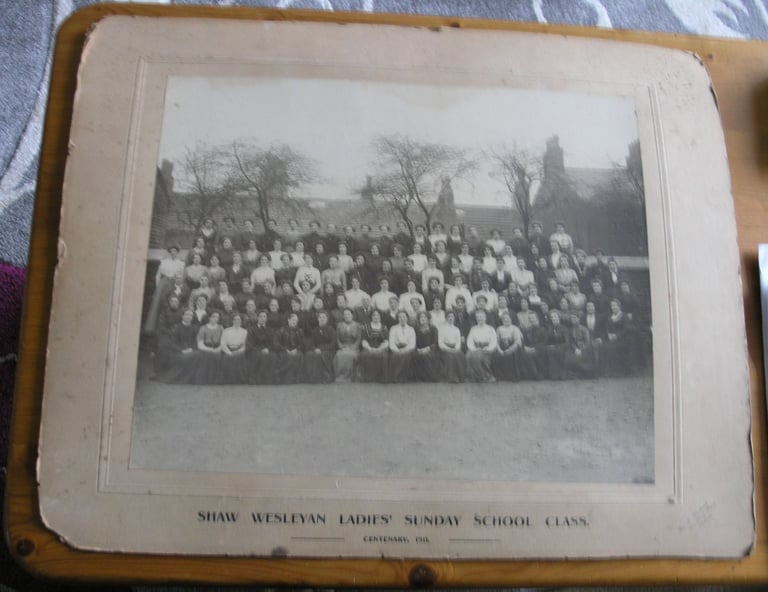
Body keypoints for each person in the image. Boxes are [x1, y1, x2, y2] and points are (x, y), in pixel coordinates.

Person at [144, 244, 186, 333]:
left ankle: (171, 326)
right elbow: (158, 275)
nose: (173, 253)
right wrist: (158, 286)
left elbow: (182, 276)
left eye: (175, 251)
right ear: (169, 252)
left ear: (177, 252)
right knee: (159, 302)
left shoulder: (181, 263)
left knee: (172, 301)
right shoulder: (164, 262)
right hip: (164, 283)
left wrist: (179, 285)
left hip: (174, 283)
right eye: (171, 251)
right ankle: (153, 327)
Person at [156, 308, 199, 383]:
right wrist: (182, 350)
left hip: (190, 350)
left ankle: (191, 379)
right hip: (177, 350)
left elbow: (195, 342)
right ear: (182, 316)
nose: (189, 317)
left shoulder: (194, 328)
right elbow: (172, 343)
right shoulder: (176, 327)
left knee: (198, 355)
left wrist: (191, 349)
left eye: (191, 315)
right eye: (187, 315)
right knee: (183, 358)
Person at [304, 310, 337, 383]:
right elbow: (311, 343)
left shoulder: (331, 329)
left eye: (324, 317)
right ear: (318, 319)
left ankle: (325, 377)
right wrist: (315, 349)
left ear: (327, 319)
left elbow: (333, 343)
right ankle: (312, 378)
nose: (322, 319)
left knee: (321, 355)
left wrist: (321, 349)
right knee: (309, 354)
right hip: (316, 349)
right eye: (320, 317)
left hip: (328, 350)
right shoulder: (315, 330)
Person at [465, 309, 498, 382]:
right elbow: (469, 341)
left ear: (485, 318)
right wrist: (473, 349)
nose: (480, 319)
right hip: (476, 348)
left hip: (487, 349)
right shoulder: (473, 329)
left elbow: (494, 341)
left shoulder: (490, 329)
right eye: (478, 317)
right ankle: (473, 376)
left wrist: (488, 348)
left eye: (481, 317)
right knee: (468, 355)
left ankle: (485, 376)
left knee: (478, 356)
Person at [358, 309, 390, 382]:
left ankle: (382, 378)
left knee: (384, 356)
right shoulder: (366, 327)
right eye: (374, 315)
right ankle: (368, 378)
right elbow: (364, 340)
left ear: (380, 317)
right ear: (371, 317)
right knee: (365, 355)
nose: (376, 317)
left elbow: (386, 341)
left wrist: (379, 348)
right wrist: (369, 348)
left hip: (381, 347)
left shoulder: (384, 327)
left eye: (378, 315)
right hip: (368, 347)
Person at [274, 312, 305, 384]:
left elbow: (303, 344)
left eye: (296, 321)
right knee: (286, 356)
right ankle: (285, 377)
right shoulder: (281, 330)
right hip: (283, 350)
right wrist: (285, 349)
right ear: (288, 320)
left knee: (299, 355)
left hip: (296, 350)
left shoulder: (299, 331)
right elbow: (276, 343)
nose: (294, 322)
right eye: (293, 320)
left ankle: (297, 378)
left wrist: (297, 349)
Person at [247, 310, 276, 384]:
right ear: (257, 318)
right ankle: (256, 379)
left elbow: (273, 343)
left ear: (266, 319)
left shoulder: (270, 330)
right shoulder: (252, 329)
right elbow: (250, 343)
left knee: (273, 356)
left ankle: (268, 380)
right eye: (260, 316)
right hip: (255, 350)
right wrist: (260, 350)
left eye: (264, 317)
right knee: (258, 356)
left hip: (267, 350)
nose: (262, 318)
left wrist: (268, 349)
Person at [194, 310, 223, 384]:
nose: (215, 319)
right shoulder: (203, 328)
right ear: (209, 318)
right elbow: (200, 344)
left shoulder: (220, 328)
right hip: (205, 349)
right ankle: (206, 380)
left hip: (218, 348)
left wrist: (219, 348)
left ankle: (216, 381)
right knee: (208, 356)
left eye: (217, 317)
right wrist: (210, 349)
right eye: (213, 317)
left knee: (218, 356)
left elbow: (223, 341)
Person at [493, 311, 523, 381]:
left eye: (507, 318)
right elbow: (497, 341)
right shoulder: (499, 328)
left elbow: (517, 342)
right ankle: (500, 375)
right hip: (502, 347)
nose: (505, 320)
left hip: (513, 347)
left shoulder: (515, 328)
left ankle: (514, 376)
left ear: (511, 319)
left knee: (513, 355)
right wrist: (499, 350)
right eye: (504, 319)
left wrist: (510, 349)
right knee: (496, 355)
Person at [564, 312, 596, 378]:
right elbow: (571, 342)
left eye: (575, 318)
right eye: (572, 318)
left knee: (581, 359)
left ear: (578, 319)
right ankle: (574, 374)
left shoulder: (584, 329)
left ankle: (583, 373)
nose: (573, 320)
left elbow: (587, 341)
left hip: (585, 349)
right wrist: (575, 349)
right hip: (575, 349)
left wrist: (581, 349)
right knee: (568, 357)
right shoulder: (570, 330)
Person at [219, 313, 248, 384]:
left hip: (240, 351)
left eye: (238, 319)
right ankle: (228, 380)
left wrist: (239, 351)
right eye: (235, 319)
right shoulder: (226, 331)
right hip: (228, 350)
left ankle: (240, 380)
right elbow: (223, 343)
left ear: (241, 321)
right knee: (227, 358)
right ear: (232, 321)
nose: (237, 321)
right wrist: (229, 352)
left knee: (239, 358)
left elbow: (245, 345)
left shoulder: (245, 332)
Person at [412, 311, 441, 382]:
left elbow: (436, 342)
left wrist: (428, 349)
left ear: (428, 319)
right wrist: (418, 349)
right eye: (420, 317)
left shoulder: (433, 328)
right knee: (415, 356)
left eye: (424, 317)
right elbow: (413, 341)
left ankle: (430, 377)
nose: (422, 319)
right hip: (419, 349)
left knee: (428, 356)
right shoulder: (415, 329)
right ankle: (419, 378)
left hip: (431, 349)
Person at [388, 311, 416, 382]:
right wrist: (396, 350)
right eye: (400, 317)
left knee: (406, 356)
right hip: (396, 348)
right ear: (397, 318)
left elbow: (412, 343)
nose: (402, 318)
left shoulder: (411, 329)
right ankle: (395, 377)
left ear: (407, 318)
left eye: (404, 317)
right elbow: (391, 342)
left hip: (408, 349)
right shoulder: (393, 328)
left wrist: (405, 350)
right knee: (396, 355)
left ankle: (403, 377)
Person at [334, 308, 361, 382]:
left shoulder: (357, 325)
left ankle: (350, 377)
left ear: (352, 315)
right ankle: (340, 376)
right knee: (339, 355)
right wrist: (342, 347)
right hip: (343, 346)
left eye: (348, 314)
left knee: (351, 355)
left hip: (353, 346)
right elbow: (337, 339)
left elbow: (359, 339)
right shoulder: (339, 325)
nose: (346, 316)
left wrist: (353, 347)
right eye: (345, 314)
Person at [438, 311, 466, 383]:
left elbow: (458, 341)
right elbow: (440, 343)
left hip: (455, 349)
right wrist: (449, 349)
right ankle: (452, 377)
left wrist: (456, 349)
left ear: (454, 318)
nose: (450, 318)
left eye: (452, 317)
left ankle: (460, 377)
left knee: (460, 355)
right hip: (445, 349)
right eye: (449, 317)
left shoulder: (456, 329)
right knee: (450, 356)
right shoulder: (442, 328)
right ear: (446, 318)